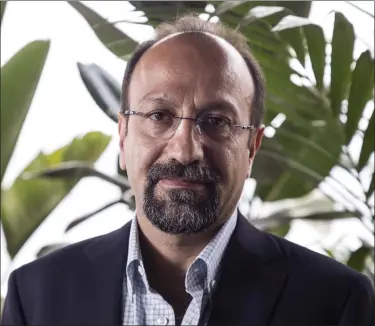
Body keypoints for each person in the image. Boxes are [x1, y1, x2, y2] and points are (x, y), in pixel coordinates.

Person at [1, 15, 374, 326]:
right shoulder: (35, 296)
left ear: (251, 148)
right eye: (159, 116)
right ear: (123, 134)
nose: (184, 150)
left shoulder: (335, 301)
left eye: (216, 121)